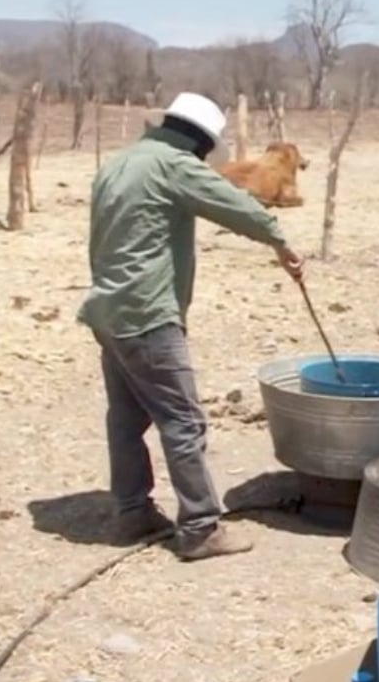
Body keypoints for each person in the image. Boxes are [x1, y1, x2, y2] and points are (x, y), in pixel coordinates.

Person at [76, 92, 305, 562]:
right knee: (183, 420)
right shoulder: (173, 164)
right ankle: (201, 527)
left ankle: (131, 511)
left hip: (109, 310)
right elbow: (235, 205)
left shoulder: (122, 163)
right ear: (201, 141)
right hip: (147, 313)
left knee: (126, 417)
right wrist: (281, 243)